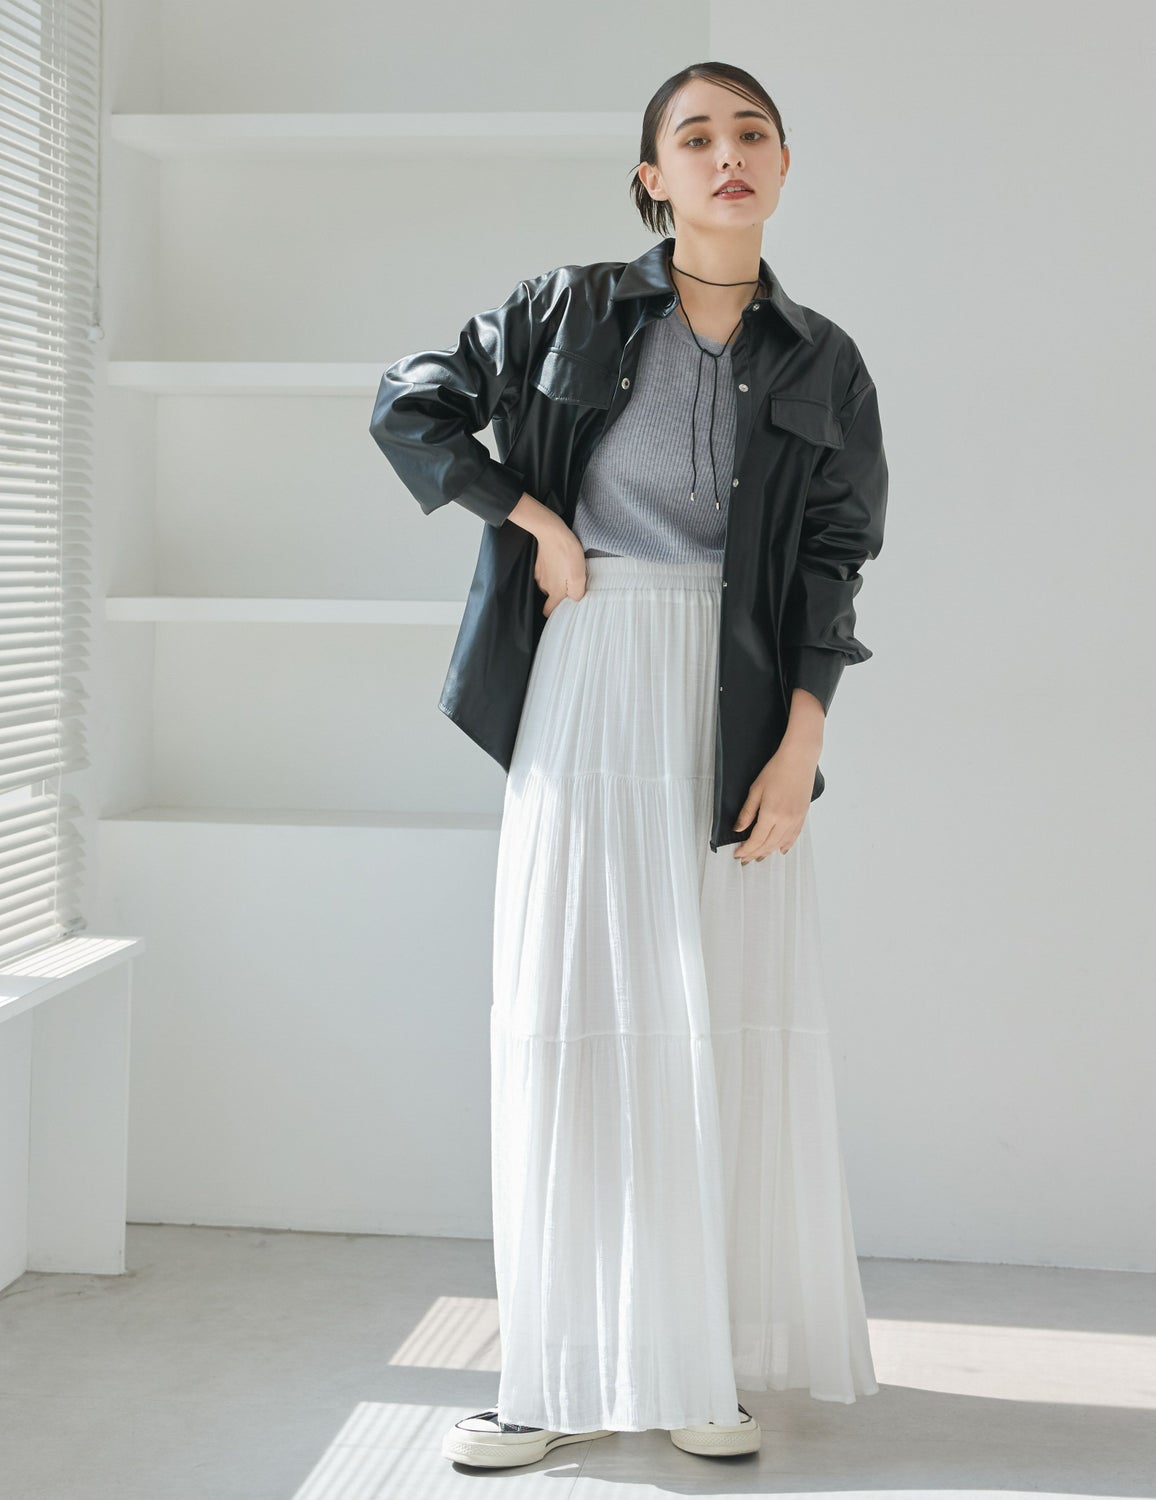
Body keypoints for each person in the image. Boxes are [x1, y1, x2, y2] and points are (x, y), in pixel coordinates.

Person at [370, 60, 888, 1471]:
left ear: (783, 165)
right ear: (654, 178)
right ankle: (548, 1378)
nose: (728, 155)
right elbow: (410, 401)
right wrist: (532, 517)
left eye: (751, 133)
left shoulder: (823, 359)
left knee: (710, 1018)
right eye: (695, 137)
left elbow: (836, 557)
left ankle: (692, 1367)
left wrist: (804, 740)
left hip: (739, 700)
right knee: (572, 1016)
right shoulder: (567, 308)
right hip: (594, 669)